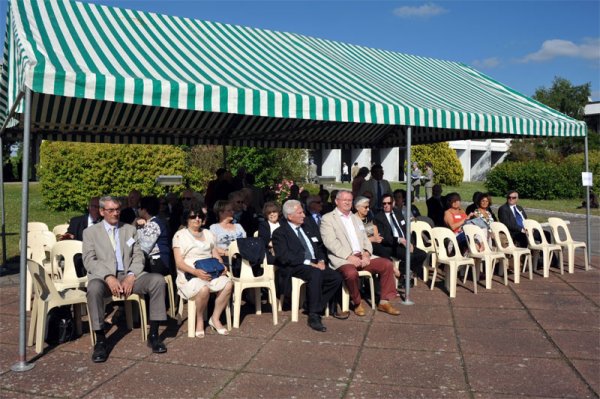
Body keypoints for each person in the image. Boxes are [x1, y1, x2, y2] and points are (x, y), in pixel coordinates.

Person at [82, 196, 167, 362]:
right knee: (93, 289)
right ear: (101, 211)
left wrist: (131, 275)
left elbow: (138, 256)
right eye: (111, 210)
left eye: (117, 210)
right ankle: (100, 340)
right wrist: (108, 277)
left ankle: (154, 334)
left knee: (157, 280)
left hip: (129, 275)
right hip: (104, 277)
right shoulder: (90, 232)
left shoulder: (129, 229)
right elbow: (89, 260)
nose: (115, 213)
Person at [320, 190, 400, 316]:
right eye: (344, 200)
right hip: (343, 258)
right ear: (336, 201)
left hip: (362, 256)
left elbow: (365, 238)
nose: (347, 202)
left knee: (387, 264)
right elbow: (330, 242)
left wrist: (367, 253)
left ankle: (384, 302)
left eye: (350, 200)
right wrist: (349, 256)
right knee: (351, 273)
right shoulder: (328, 218)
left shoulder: (355, 218)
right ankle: (357, 302)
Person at [272, 200, 343, 332]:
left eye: (303, 212)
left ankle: (311, 305)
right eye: (300, 213)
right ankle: (314, 315)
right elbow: (284, 256)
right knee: (314, 273)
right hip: (296, 265)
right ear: (290, 216)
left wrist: (321, 260)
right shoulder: (280, 233)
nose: (304, 215)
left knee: (336, 277)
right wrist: (308, 262)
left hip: (315, 262)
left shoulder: (307, 228)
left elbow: (319, 246)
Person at [172, 206, 232, 338]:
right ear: (187, 219)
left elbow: (215, 253)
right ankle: (200, 320)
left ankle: (215, 318)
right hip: (189, 274)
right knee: (203, 288)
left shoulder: (208, 233)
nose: (197, 219)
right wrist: (195, 272)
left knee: (228, 284)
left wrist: (222, 266)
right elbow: (179, 262)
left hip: (211, 272)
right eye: (193, 216)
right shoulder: (179, 236)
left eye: (200, 216)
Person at [374, 194, 427, 280]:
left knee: (422, 254)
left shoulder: (398, 213)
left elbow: (405, 230)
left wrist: (410, 243)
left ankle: (407, 273)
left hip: (405, 243)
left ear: (393, 203)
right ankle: (403, 277)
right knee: (409, 256)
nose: (386, 205)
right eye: (384, 203)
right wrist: (399, 240)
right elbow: (384, 237)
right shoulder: (379, 217)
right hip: (392, 245)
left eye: (389, 203)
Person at [136, 196, 172, 276]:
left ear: (145, 209)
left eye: (139, 207)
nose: (137, 210)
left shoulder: (153, 224)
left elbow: (143, 248)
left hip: (157, 262)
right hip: (155, 262)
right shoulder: (149, 223)